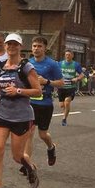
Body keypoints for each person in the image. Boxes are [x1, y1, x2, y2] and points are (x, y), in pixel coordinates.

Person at [0, 33, 43, 188]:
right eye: (8, 44)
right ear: (4, 46)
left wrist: (18, 91)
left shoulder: (26, 67)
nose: (11, 47)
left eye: (14, 44)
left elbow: (38, 91)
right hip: (1, 113)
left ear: (20, 46)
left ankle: (30, 168)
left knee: (17, 156)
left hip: (21, 115)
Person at [25, 36, 63, 167]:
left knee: (42, 135)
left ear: (45, 48)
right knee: (29, 133)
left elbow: (61, 83)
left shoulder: (52, 64)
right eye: (34, 46)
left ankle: (51, 147)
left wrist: (46, 81)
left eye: (39, 46)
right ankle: (27, 164)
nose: (36, 49)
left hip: (45, 105)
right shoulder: (27, 63)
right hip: (29, 104)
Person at [58, 50, 82, 125]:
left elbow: (82, 75)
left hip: (71, 87)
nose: (67, 56)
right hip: (61, 87)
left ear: (72, 55)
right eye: (66, 55)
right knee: (62, 105)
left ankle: (64, 119)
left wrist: (77, 78)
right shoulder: (60, 63)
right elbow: (56, 72)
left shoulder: (76, 64)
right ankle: (65, 112)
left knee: (67, 103)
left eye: (69, 55)